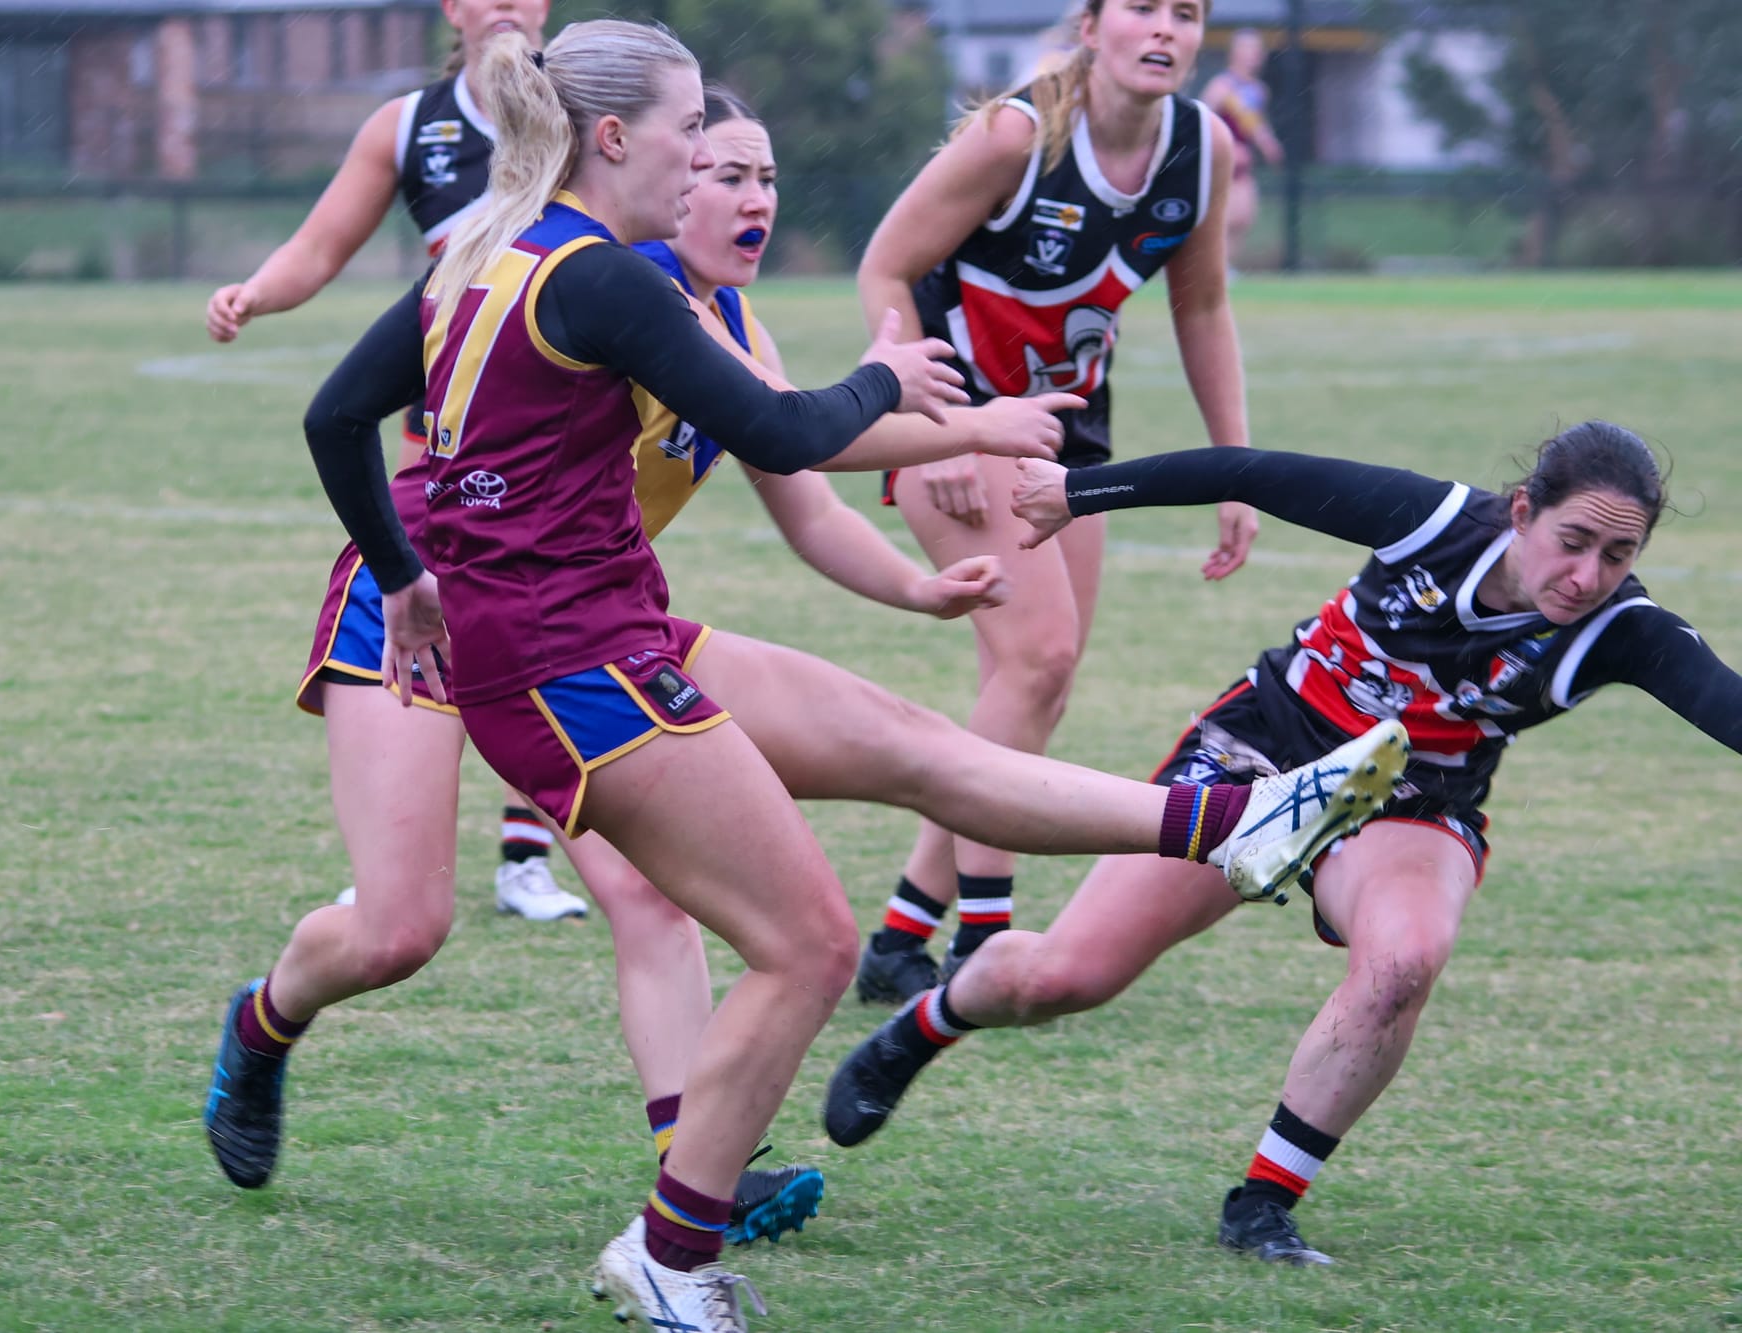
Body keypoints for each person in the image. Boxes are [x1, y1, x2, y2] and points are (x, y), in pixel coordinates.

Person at [295, 23, 1406, 1325]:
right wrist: (899, 376)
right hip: (565, 667)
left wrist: (406, 571)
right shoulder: (597, 277)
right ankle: (669, 1248)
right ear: (613, 141)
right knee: (811, 944)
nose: (705, 157)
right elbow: (780, 430)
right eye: (688, 134)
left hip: (599, 635)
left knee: (917, 753)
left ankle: (1239, 822)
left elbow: (333, 415)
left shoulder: (495, 250)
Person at [218, 80, 1082, 1248]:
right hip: (416, 602)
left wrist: (917, 584)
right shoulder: (574, 282)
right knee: (399, 928)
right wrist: (965, 423)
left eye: (763, 176)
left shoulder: (728, 327)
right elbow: (346, 416)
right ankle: (265, 1024)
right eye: (718, 169)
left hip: (571, 633)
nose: (744, 196)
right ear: (648, 176)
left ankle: (695, 1160)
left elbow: (804, 477)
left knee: (646, 885)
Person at [825, 424, 1742, 1269]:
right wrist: (1078, 491)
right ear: (1522, 513)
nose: (1586, 575)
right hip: (1263, 751)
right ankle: (932, 1021)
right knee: (1060, 979)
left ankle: (1262, 1204)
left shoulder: (1624, 631)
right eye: (1573, 541)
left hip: (1411, 802)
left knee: (1405, 958)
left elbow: (1723, 704)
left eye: (1618, 554)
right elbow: (1248, 472)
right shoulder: (1430, 522)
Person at [852, 0, 1264, 1006]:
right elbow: (886, 268)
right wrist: (938, 419)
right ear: (1089, 25)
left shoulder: (1198, 148)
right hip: (960, 414)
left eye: (1187, 12)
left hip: (1064, 430)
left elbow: (1200, 305)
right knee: (1035, 660)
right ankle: (978, 935)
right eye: (1140, 8)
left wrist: (1236, 466)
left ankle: (903, 932)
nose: (1164, 28)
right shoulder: (1016, 132)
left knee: (1034, 678)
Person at [204, 0, 590, 922]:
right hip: (449, 428)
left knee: (555, 624)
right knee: (429, 625)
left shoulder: (584, 98)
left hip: (566, 423)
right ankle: (395, 851)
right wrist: (257, 293)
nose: (506, 5)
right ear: (451, 9)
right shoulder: (412, 124)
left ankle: (526, 858)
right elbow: (320, 244)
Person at [1200, 28, 1284, 268]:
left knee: (1244, 216)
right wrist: (1227, 148)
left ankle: (1224, 266)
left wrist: (1268, 145)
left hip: (1244, 166)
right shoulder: (1221, 86)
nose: (1254, 56)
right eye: (1248, 50)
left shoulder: (1257, 90)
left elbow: (1255, 123)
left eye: (1257, 51)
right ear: (1235, 53)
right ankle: (1209, 266)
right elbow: (1204, 121)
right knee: (1221, 219)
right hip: (1222, 164)